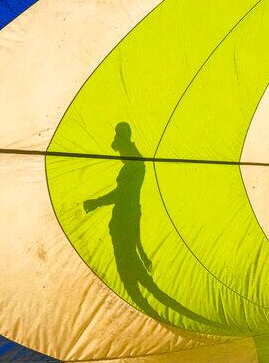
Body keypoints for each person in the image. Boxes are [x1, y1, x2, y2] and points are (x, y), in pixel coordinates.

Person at [84, 122, 219, 329]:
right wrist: (143, 253)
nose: (119, 154)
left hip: (122, 225)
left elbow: (122, 196)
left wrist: (96, 202)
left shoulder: (135, 166)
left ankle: (169, 324)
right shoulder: (135, 167)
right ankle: (169, 323)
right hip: (123, 224)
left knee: (136, 286)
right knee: (142, 285)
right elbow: (134, 219)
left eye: (120, 149)